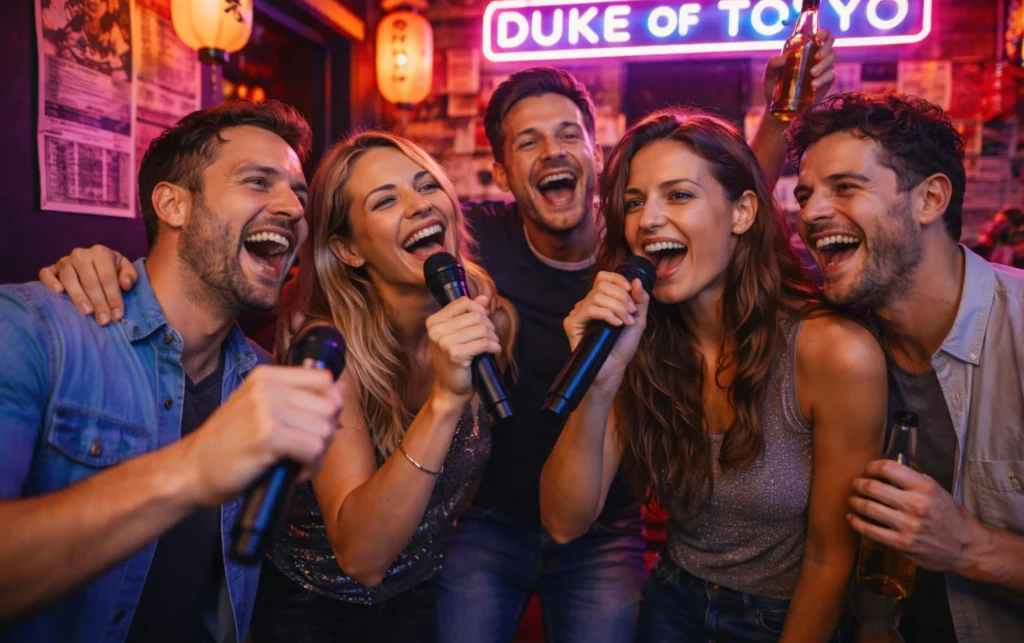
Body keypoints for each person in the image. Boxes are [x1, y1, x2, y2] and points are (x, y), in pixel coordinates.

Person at [42, 40, 838, 643]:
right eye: (527, 142)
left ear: (594, 153)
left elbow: (716, 202)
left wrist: (779, 121)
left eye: (568, 133)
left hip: (591, 528)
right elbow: (233, 295)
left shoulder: (633, 247)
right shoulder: (455, 260)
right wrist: (122, 270)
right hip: (466, 536)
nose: (552, 152)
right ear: (502, 172)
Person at [42, 130, 519, 642]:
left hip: (422, 593)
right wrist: (445, 401)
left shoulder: (490, 320)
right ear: (347, 249)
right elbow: (362, 557)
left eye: (427, 186)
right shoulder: (327, 349)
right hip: (312, 610)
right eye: (385, 200)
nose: (419, 205)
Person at [0, 101, 343, 643]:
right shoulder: (34, 332)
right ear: (173, 204)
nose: (294, 209)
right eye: (258, 181)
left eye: (299, 195)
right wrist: (192, 469)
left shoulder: (263, 379)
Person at [540, 108, 887, 643]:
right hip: (671, 603)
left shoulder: (834, 352)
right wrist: (602, 382)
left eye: (678, 195)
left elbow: (830, 560)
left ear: (742, 212)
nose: (648, 220)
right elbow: (564, 521)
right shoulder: (639, 342)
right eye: (634, 202)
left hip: (781, 618)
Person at [786, 93, 1024, 643]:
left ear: (930, 199)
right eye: (805, 194)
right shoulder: (839, 351)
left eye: (845, 187)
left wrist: (970, 546)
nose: (810, 214)